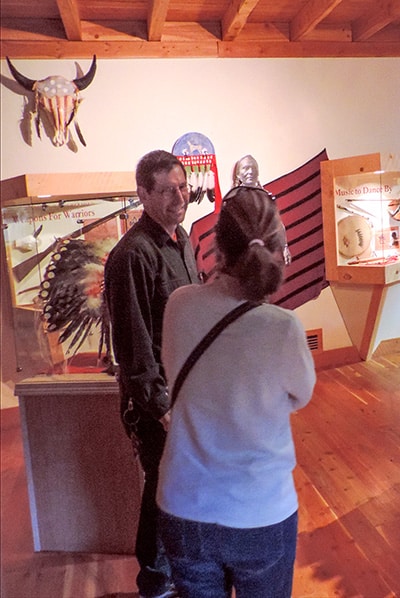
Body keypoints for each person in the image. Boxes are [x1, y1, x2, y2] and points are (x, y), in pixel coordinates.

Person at [157, 185, 316, 598]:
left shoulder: (179, 304)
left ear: (216, 248)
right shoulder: (283, 327)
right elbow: (301, 395)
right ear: (280, 251)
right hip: (259, 511)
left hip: (183, 506)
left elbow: (173, 371)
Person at [104, 149, 200, 598]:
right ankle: (155, 581)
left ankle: (177, 573)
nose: (178, 197)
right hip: (157, 404)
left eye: (181, 187)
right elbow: (134, 344)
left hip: (186, 392)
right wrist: (160, 408)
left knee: (180, 487)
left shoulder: (182, 242)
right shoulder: (131, 256)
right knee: (163, 490)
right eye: (166, 190)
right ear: (142, 194)